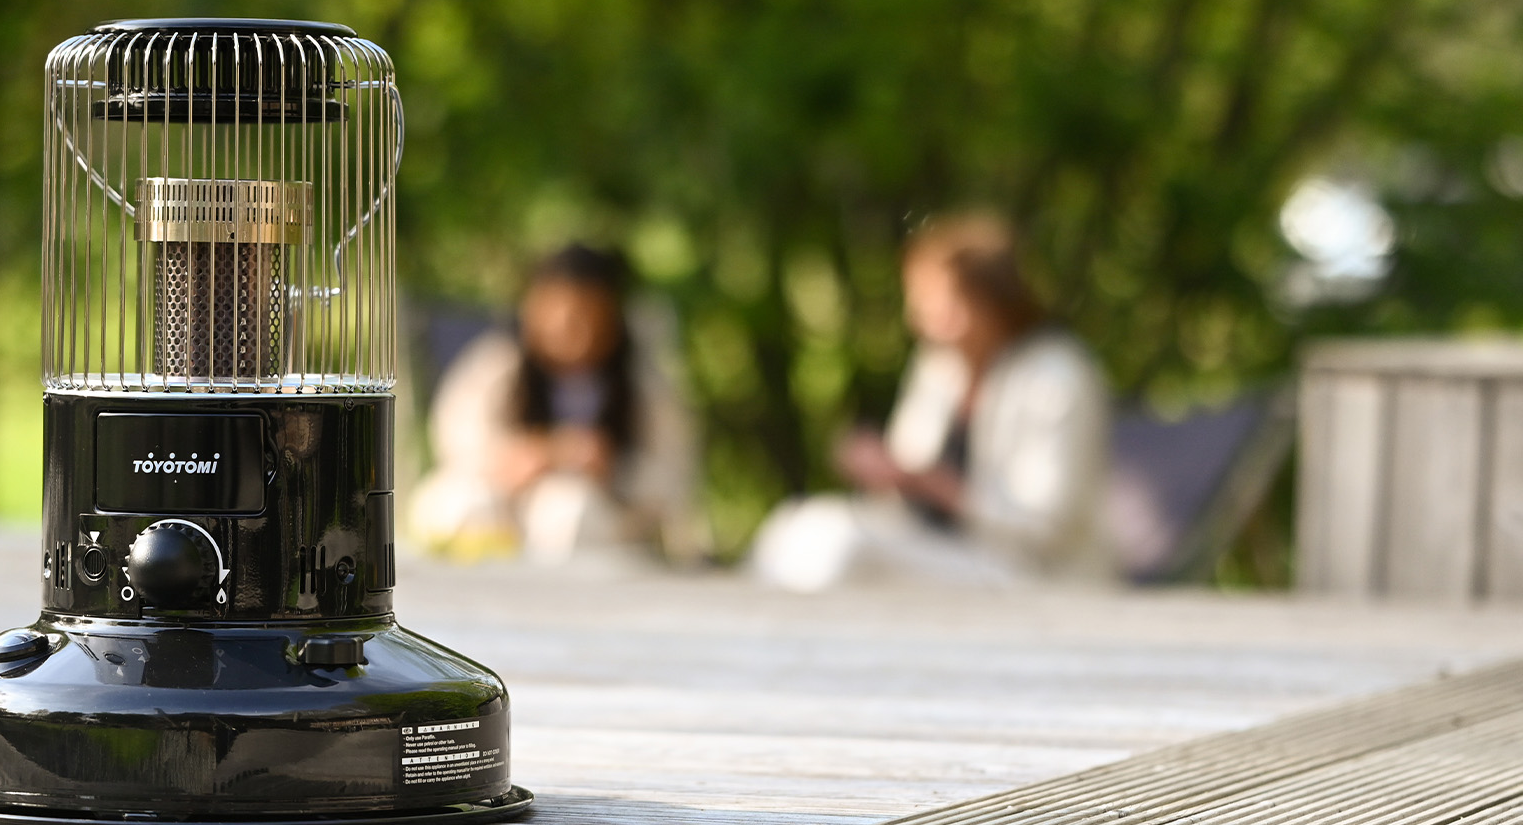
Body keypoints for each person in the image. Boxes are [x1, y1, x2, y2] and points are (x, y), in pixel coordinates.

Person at [751, 214, 1113, 591]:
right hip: (945, 554)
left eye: (940, 299)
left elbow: (1047, 526)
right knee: (796, 525)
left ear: (992, 298)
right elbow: (904, 486)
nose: (922, 316)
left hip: (1035, 576)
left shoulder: (1056, 376)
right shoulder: (939, 369)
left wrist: (932, 484)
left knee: (842, 545)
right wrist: (881, 471)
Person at [406, 245, 703, 564]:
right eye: (557, 312)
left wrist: (613, 469)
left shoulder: (643, 387)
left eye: (585, 314)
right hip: (502, 514)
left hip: (602, 535)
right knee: (464, 504)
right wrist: (532, 455)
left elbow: (675, 479)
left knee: (568, 507)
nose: (569, 327)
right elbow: (456, 446)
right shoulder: (496, 368)